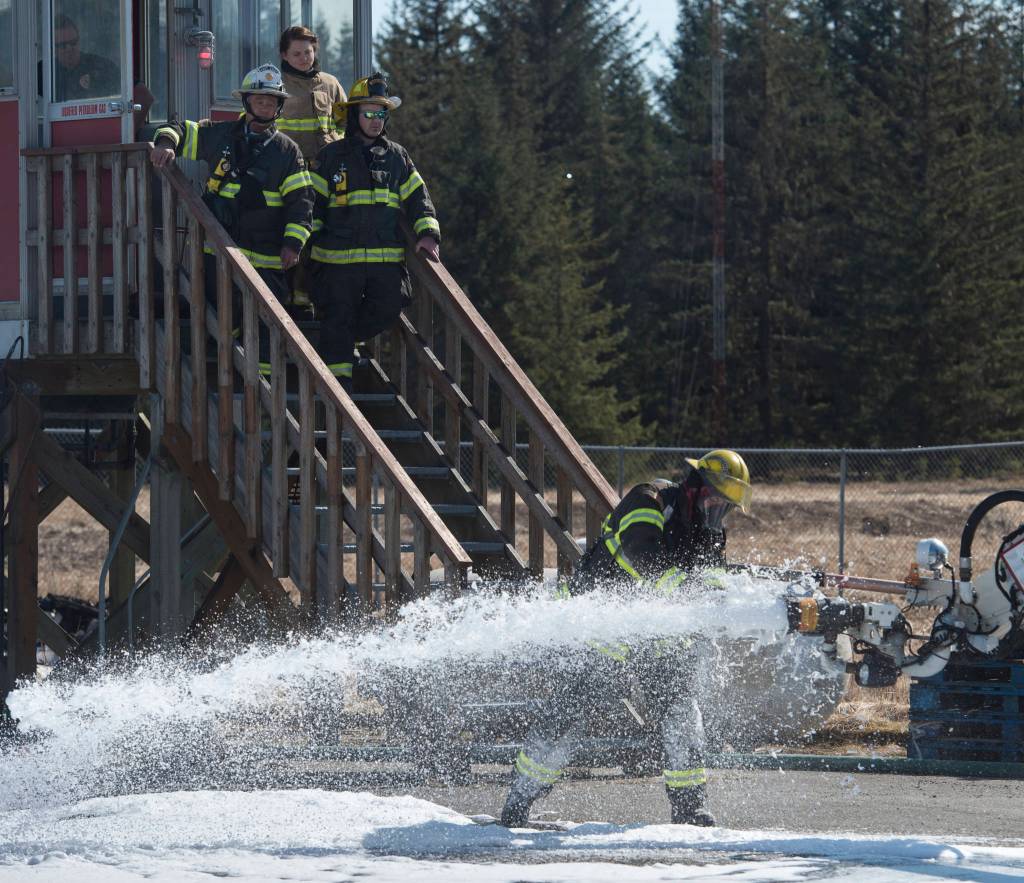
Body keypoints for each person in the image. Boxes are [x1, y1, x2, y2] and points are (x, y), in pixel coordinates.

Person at [499, 449, 753, 829]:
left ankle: (690, 808)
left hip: (658, 635)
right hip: (601, 623)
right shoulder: (648, 499)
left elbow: (712, 580)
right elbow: (641, 553)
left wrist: (726, 598)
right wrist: (685, 591)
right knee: (570, 713)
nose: (719, 509)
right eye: (716, 499)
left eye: (726, 506)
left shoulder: (709, 530)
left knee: (682, 713)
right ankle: (520, 799)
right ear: (697, 486)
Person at [149, 63, 313, 326]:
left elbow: (301, 203)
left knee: (265, 323)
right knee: (221, 315)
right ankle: (234, 366)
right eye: (260, 100)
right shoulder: (220, 136)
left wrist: (292, 245)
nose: (266, 106)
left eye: (272, 101)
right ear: (246, 102)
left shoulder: (287, 152)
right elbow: (178, 128)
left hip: (266, 256)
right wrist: (166, 144)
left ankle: (260, 369)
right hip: (218, 249)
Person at [309, 71, 440, 390]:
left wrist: (427, 234)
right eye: (368, 113)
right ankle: (339, 391)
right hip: (337, 262)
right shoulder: (330, 157)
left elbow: (418, 196)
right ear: (354, 115)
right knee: (338, 317)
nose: (375, 120)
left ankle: (335, 343)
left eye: (381, 113)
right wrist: (305, 244)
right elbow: (313, 205)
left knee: (389, 306)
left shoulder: (397, 156)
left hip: (384, 262)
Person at [277, 25, 347, 309]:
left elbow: (346, 123)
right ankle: (286, 295)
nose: (304, 58)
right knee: (292, 232)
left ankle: (308, 295)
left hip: (325, 175)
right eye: (297, 53)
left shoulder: (330, 84)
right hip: (289, 175)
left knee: (320, 234)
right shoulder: (275, 82)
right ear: (284, 54)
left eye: (308, 52)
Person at [52, 15, 120, 101]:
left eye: (73, 42)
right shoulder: (44, 72)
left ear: (79, 40)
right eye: (63, 45)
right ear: (53, 48)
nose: (69, 49)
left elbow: (136, 90)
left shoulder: (101, 67)